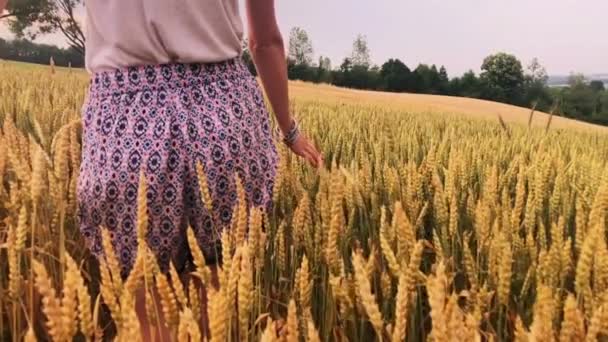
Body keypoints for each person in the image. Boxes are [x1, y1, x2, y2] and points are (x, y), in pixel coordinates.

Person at [3, 0, 323, 339]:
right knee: (219, 295)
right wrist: (289, 131)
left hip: (126, 122)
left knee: (148, 316)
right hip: (224, 116)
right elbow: (265, 41)